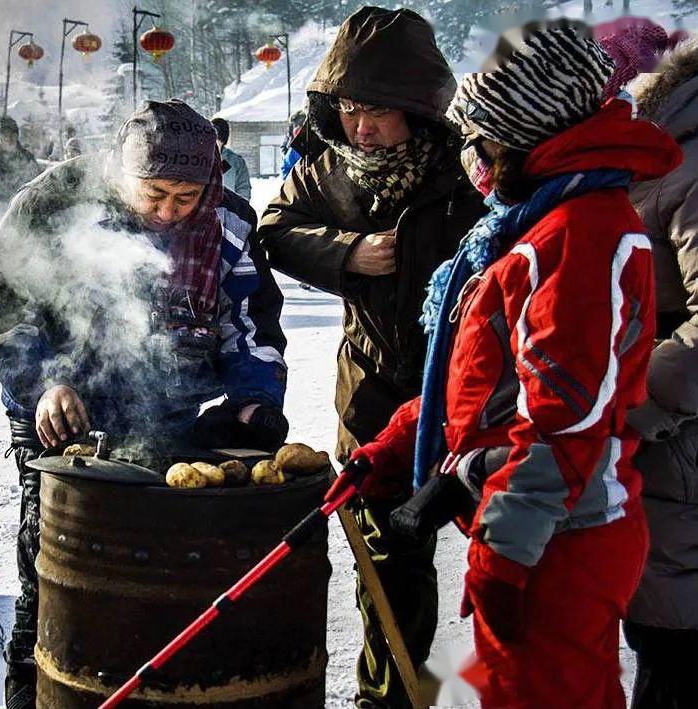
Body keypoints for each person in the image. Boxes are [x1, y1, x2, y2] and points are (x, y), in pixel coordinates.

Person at [347, 24, 682, 708]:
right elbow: (488, 383)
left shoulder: (581, 233)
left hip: (558, 540)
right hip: (532, 526)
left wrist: (505, 553)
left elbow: (564, 421)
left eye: (480, 141)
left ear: (521, 136)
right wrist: (400, 441)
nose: (471, 158)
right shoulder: (534, 220)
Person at [0, 99, 289, 709]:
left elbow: (249, 324)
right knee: (55, 566)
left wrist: (254, 398)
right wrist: (44, 383)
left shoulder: (228, 221)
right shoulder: (56, 203)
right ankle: (36, 690)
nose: (168, 212)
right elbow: (0, 303)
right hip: (60, 414)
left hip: (168, 410)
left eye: (185, 198)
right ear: (122, 170)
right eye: (154, 194)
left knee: (155, 563)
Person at [257, 7, 486, 707]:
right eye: (350, 109)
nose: (362, 128)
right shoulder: (332, 170)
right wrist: (347, 252)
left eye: (379, 112)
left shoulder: (467, 169)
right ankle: (387, 698)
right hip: (372, 395)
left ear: (418, 108)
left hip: (468, 391)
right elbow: (276, 228)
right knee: (388, 563)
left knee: (504, 557)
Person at [618, 39, 698, 709]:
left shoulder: (687, 166)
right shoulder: (660, 157)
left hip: (679, 442)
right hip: (666, 444)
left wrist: (627, 398)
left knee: (673, 641)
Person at [0, 116, 41, 229]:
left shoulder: (27, 158)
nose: (10, 139)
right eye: (6, 134)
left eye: (13, 134)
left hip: (25, 214)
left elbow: (37, 184)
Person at [210, 117, 252, 200]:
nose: (214, 145)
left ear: (223, 142)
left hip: (228, 205)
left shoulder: (236, 162)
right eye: (212, 141)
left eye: (218, 141)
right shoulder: (200, 160)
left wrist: (239, 206)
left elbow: (243, 188)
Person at [280, 109, 306, 180]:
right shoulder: (293, 151)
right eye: (296, 125)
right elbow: (285, 171)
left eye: (301, 125)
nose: (298, 129)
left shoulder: (314, 147)